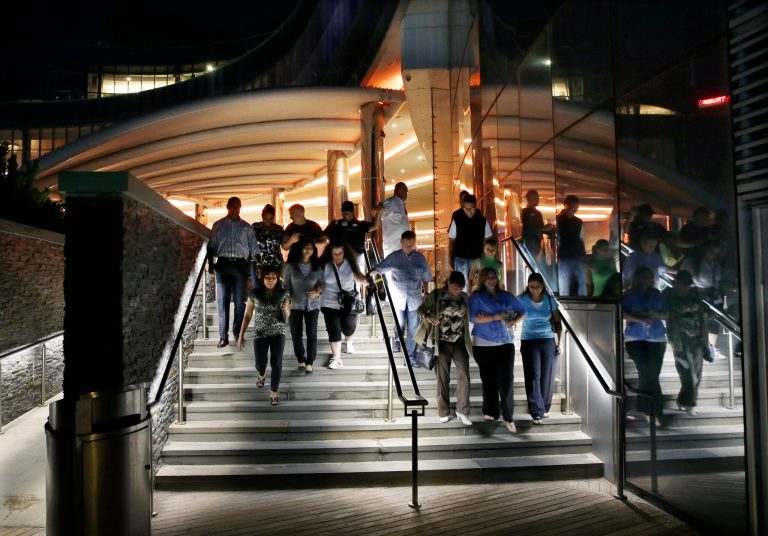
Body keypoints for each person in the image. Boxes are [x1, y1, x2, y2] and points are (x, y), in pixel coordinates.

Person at [468, 267, 526, 433]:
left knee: (506, 379)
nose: (491, 280)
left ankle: (508, 416)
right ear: (482, 280)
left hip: (505, 342)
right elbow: (473, 318)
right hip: (483, 343)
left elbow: (523, 310)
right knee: (489, 380)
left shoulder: (506, 295)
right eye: (488, 278)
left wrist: (514, 321)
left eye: (494, 277)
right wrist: (496, 317)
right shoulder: (476, 297)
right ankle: (490, 411)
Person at [415, 271, 473, 426]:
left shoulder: (465, 297)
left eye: (460, 288)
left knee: (464, 376)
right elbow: (420, 310)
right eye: (455, 287)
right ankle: (443, 411)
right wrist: (428, 316)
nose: (457, 290)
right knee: (442, 378)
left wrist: (467, 313)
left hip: (460, 342)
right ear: (448, 283)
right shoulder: (436, 295)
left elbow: (472, 314)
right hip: (441, 343)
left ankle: (462, 411)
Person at [368, 230, 433, 360]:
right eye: (406, 244)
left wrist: (426, 293)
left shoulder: (420, 258)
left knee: (413, 328)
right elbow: (379, 268)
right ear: (401, 242)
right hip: (398, 299)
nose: (409, 247)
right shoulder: (394, 257)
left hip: (415, 299)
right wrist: (368, 277)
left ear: (414, 243)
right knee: (399, 324)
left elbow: (426, 277)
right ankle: (397, 341)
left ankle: (410, 357)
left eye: (411, 244)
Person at [206, 196, 259, 348]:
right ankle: (223, 337)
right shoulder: (218, 225)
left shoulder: (247, 227)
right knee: (222, 301)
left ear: (240, 208)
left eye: (238, 207)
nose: (235, 209)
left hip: (240, 266)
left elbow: (254, 250)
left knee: (239, 303)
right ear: (227, 207)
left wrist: (257, 268)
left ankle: (237, 333)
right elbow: (211, 246)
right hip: (222, 265)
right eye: (233, 206)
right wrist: (211, 264)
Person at [237, 267, 291, 407]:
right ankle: (262, 374)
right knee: (260, 363)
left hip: (278, 332)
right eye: (267, 277)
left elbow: (287, 317)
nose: (271, 280)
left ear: (277, 278)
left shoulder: (284, 293)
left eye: (273, 277)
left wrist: (287, 310)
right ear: (262, 278)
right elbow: (248, 315)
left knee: (276, 363)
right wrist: (241, 335)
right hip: (260, 333)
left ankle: (274, 392)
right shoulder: (254, 294)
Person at [623, 266, 669, 427]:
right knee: (648, 373)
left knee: (651, 375)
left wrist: (656, 315)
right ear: (636, 278)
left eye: (647, 277)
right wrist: (640, 319)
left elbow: (667, 313)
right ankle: (654, 412)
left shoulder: (657, 294)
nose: (644, 280)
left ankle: (644, 407)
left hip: (657, 338)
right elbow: (622, 313)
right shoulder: (629, 295)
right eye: (641, 277)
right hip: (635, 338)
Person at [663, 270, 708, 416]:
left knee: (697, 373)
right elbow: (665, 312)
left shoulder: (695, 295)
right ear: (676, 283)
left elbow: (707, 313)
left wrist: (697, 308)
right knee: (687, 372)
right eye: (684, 284)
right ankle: (690, 403)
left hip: (697, 338)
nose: (686, 287)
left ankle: (684, 400)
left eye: (688, 284)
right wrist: (678, 310)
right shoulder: (668, 295)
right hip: (680, 339)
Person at [519, 273, 562, 424]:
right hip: (529, 341)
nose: (535, 289)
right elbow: (512, 314)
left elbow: (558, 323)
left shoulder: (550, 300)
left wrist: (560, 342)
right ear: (528, 286)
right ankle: (537, 412)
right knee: (533, 376)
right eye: (532, 286)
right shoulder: (522, 300)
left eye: (538, 286)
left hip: (547, 340)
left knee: (547, 375)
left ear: (543, 286)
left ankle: (544, 407)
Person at [320, 241, 368, 370]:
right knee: (333, 329)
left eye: (340, 253)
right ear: (330, 253)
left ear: (344, 253)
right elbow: (319, 282)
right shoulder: (325, 265)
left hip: (348, 301)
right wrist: (317, 290)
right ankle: (337, 359)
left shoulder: (351, 264)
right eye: (334, 254)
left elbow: (361, 278)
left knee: (348, 328)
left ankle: (348, 340)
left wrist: (372, 280)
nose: (337, 256)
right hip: (329, 301)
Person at [283, 238, 325, 373]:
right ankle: (301, 359)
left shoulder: (317, 267)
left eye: (311, 248)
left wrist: (317, 292)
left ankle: (310, 362)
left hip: (312, 305)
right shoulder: (291, 266)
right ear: (300, 249)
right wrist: (287, 300)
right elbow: (285, 285)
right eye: (306, 247)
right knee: (296, 334)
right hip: (295, 305)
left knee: (312, 333)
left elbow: (322, 284)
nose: (308, 250)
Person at [448, 194, 493, 290]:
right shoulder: (457, 219)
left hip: (476, 258)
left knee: (477, 285)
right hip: (461, 257)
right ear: (462, 207)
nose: (468, 211)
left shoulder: (483, 221)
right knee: (462, 285)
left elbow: (488, 240)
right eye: (466, 209)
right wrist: (449, 258)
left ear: (475, 207)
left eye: (471, 208)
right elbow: (451, 240)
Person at [324, 200, 381, 271]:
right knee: (341, 273)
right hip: (341, 255)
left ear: (353, 212)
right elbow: (324, 236)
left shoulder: (360, 224)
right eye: (345, 213)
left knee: (357, 272)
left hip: (357, 255)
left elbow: (374, 226)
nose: (346, 215)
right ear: (342, 212)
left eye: (349, 213)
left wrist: (378, 214)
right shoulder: (335, 224)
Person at [556, 194, 587, 296]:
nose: (574, 210)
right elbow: (581, 239)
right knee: (581, 280)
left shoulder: (558, 220)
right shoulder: (578, 222)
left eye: (575, 208)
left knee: (565, 282)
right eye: (574, 207)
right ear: (566, 206)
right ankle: (581, 300)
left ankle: (565, 301)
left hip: (565, 255)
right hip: (573, 255)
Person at [252, 204, 284, 275]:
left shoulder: (278, 229)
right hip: (259, 263)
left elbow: (284, 245)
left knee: (275, 281)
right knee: (259, 281)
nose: (268, 222)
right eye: (265, 219)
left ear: (274, 217)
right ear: (262, 216)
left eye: (271, 219)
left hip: (275, 263)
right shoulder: (255, 227)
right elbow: (250, 244)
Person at [521, 189, 553, 261]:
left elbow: (540, 229)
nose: (538, 200)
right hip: (529, 245)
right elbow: (530, 230)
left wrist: (544, 229)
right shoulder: (524, 212)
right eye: (535, 198)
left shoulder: (537, 213)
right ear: (529, 199)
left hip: (535, 245)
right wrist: (544, 229)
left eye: (537, 198)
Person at [380, 182, 410, 257]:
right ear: (400, 190)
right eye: (405, 191)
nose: (406, 194)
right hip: (393, 247)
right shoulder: (391, 202)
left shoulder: (401, 204)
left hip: (400, 247)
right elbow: (380, 215)